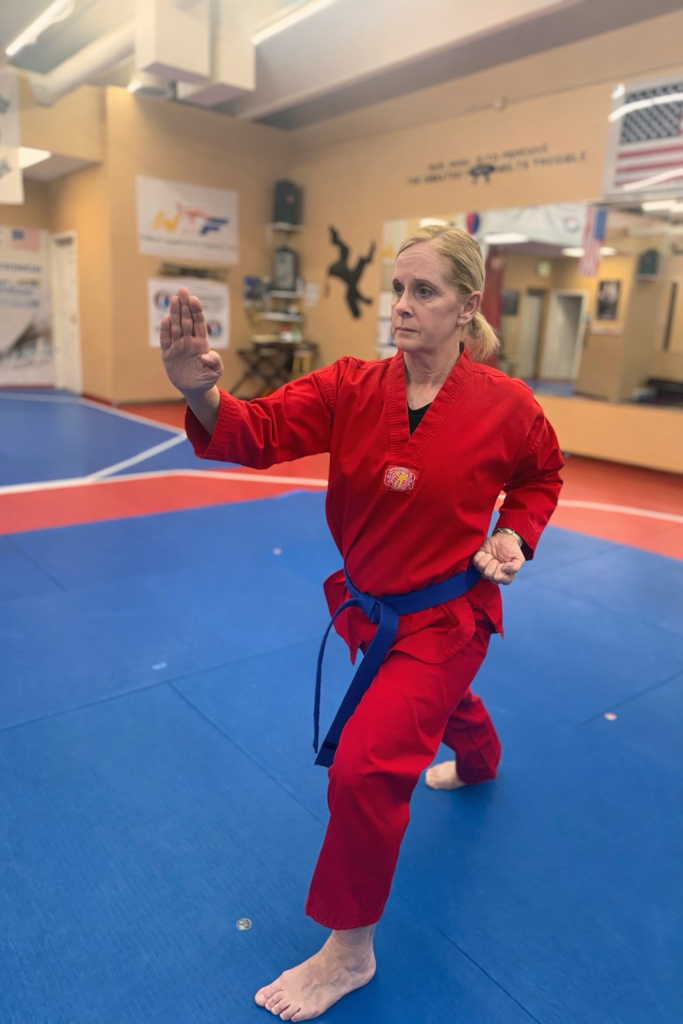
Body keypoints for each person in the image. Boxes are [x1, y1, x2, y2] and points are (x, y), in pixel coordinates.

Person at [158, 225, 563, 1022]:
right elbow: (261, 430)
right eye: (398, 289)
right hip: (366, 608)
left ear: (464, 307)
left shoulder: (506, 406)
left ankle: (349, 951)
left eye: (424, 292)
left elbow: (539, 476)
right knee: (436, 708)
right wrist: (199, 390)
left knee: (368, 766)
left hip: (445, 616)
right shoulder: (349, 386)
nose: (402, 307)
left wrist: (514, 533)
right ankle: (480, 756)